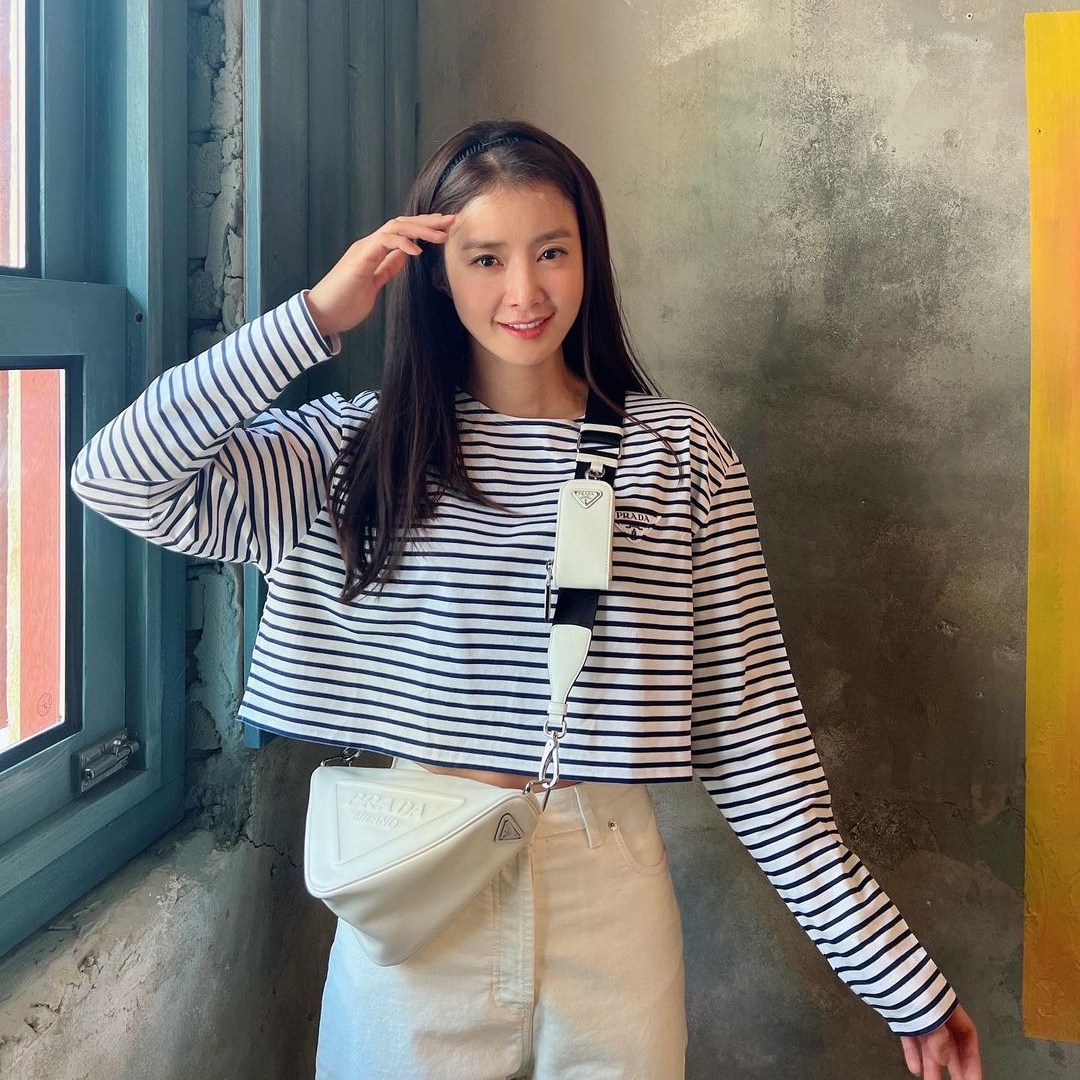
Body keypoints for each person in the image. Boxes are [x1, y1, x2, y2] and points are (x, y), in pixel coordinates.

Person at [71, 119, 982, 1080]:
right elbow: (117, 476)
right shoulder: (350, 455)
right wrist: (317, 318)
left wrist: (900, 983)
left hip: (609, 894)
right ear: (434, 273)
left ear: (589, 256)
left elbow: (756, 740)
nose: (524, 292)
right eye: (485, 258)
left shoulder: (679, 457)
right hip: (417, 885)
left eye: (552, 252)